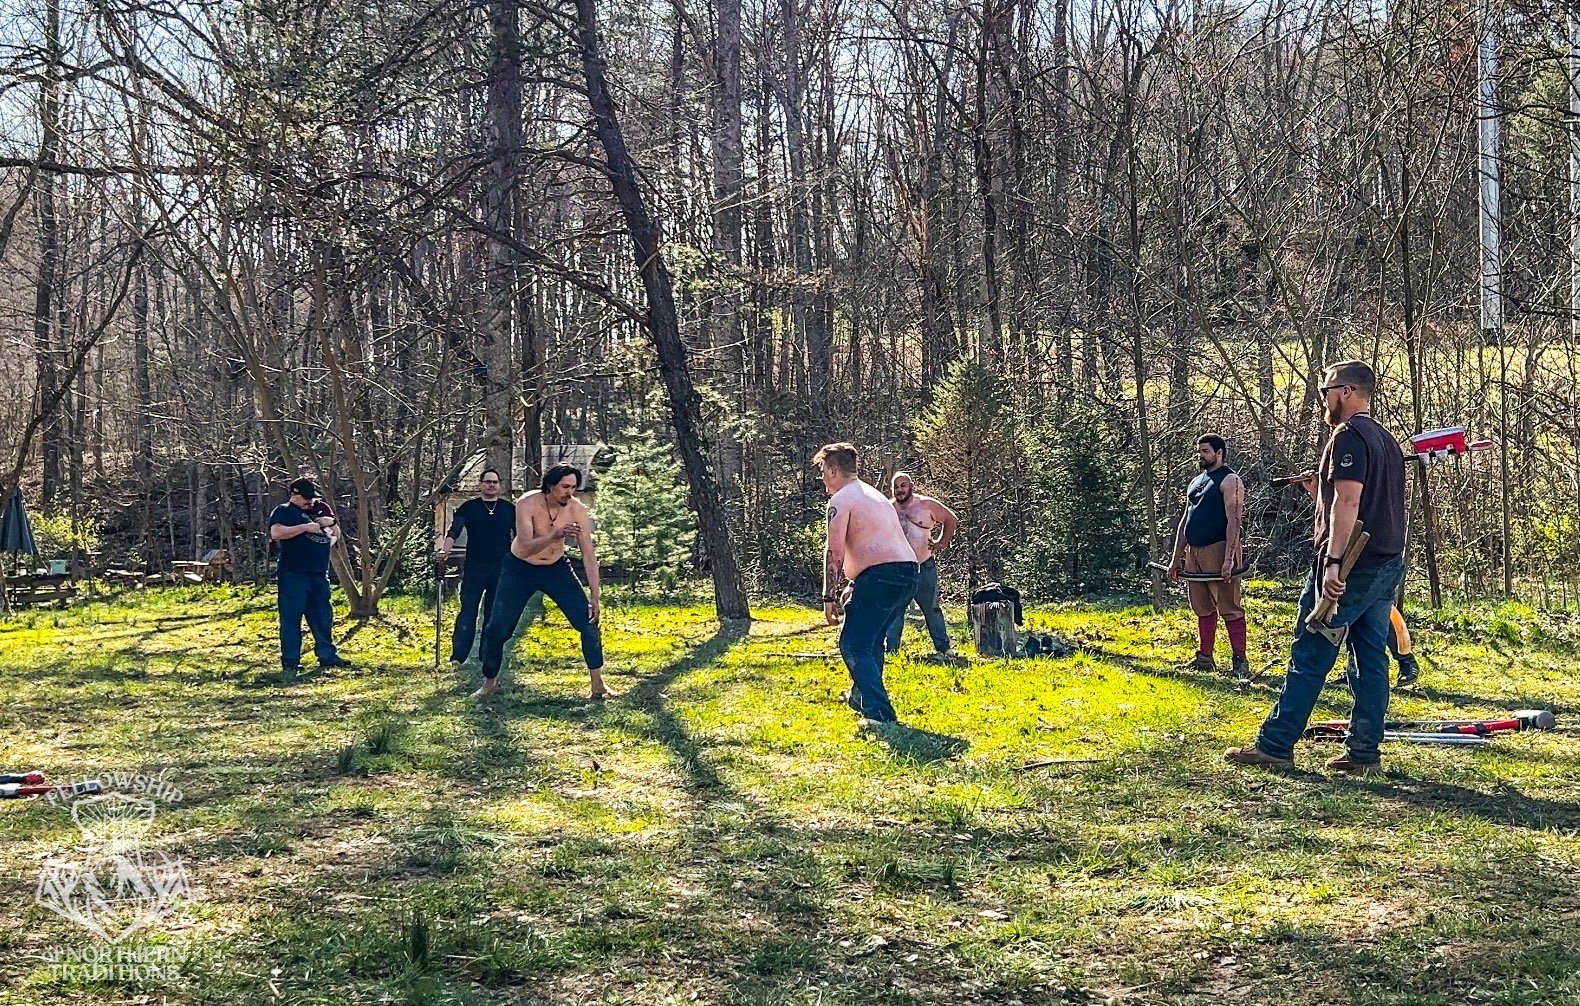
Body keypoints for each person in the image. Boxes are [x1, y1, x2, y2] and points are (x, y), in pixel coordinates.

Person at [1226, 361, 1407, 775]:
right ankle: (1364, 754)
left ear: (1346, 392)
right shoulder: (1385, 439)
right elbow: (1359, 502)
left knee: (1311, 651)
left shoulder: (1348, 435)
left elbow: (1350, 503)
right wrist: (1319, 491)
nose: (1324, 399)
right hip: (1384, 565)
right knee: (1370, 659)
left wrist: (1333, 564)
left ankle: (1275, 745)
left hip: (1352, 566)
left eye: (1327, 391)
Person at [474, 464, 610, 700]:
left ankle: (598, 685)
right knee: (497, 629)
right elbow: (526, 547)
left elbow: (589, 554)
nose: (569, 492)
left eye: (573, 488)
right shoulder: (528, 503)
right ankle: (489, 683)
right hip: (519, 568)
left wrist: (595, 596)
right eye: (564, 487)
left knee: (589, 623)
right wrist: (555, 535)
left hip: (556, 568)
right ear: (550, 485)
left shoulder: (577, 510)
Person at [817, 443, 919, 724]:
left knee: (853, 644)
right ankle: (861, 698)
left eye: (823, 471)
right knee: (872, 641)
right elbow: (878, 544)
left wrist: (828, 597)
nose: (822, 478)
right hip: (907, 574)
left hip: (882, 576)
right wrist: (855, 583)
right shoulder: (875, 496)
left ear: (834, 470)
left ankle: (880, 713)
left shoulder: (840, 500)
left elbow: (835, 552)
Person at [1167, 434, 1250, 679]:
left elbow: (1234, 521)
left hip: (1219, 548)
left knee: (1229, 606)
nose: (1200, 455)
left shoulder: (1231, 480)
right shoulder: (1196, 482)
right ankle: (1205, 657)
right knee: (1201, 606)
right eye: (1199, 451)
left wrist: (1228, 559)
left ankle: (1240, 661)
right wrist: (1176, 558)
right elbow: (1186, 519)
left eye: (1205, 451)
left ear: (1219, 452)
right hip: (1195, 552)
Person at [268, 478, 352, 674]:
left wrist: (331, 523)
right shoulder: (285, 511)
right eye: (306, 498)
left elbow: (336, 535)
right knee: (291, 618)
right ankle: (291, 661)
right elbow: (276, 532)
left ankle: (328, 656)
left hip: (318, 573)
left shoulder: (319, 510)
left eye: (311, 498)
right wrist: (305, 527)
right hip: (294, 573)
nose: (309, 501)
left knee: (323, 617)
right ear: (294, 494)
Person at [436, 468, 515, 664]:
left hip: (501, 569)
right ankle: (459, 656)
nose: (491, 485)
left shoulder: (509, 509)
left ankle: (486, 655)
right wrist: (445, 550)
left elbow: (521, 536)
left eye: (495, 482)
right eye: (487, 482)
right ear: (480, 485)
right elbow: (454, 531)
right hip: (474, 568)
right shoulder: (469, 508)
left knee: (493, 614)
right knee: (468, 611)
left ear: (500, 485)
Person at [885, 472, 958, 655]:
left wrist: (942, 542)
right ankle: (892, 650)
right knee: (895, 610)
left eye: (903, 485)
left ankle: (944, 648)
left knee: (931, 608)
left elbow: (951, 519)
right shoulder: (888, 508)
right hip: (898, 567)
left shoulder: (926, 505)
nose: (900, 490)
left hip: (923, 564)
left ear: (911, 486)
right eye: (896, 487)